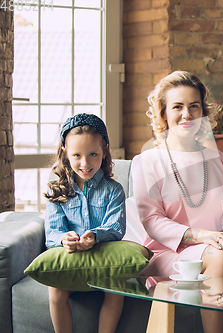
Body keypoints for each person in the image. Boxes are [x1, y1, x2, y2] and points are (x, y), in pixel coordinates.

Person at [131, 70, 223, 333]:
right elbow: (152, 221)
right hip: (168, 253)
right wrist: (203, 236)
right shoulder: (146, 161)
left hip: (215, 245)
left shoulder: (220, 161)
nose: (187, 115)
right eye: (177, 107)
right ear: (163, 113)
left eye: (194, 106)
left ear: (203, 112)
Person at [44, 113, 126, 333]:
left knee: (116, 291)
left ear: (105, 150)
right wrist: (64, 239)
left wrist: (95, 235)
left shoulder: (114, 190)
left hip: (103, 260)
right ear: (65, 152)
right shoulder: (57, 191)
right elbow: (52, 232)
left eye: (93, 154)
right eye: (77, 155)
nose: (85, 163)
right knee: (56, 291)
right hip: (71, 260)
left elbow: (116, 228)